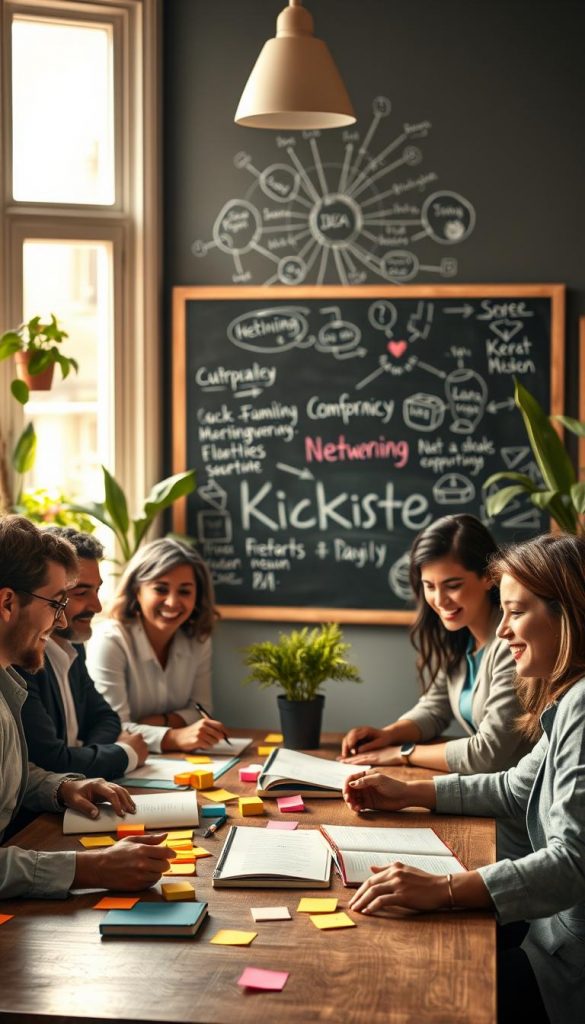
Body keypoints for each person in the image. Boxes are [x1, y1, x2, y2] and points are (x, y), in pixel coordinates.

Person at [342, 532, 585, 1024]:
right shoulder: (570, 697)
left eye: (515, 612)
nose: (503, 631)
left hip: (564, 970)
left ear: (568, 613)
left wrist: (444, 889)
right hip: (545, 937)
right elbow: (513, 786)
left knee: (411, 988)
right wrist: (407, 791)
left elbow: (572, 865)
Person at [0, 515, 173, 898]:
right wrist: (91, 866)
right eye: (56, 602)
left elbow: (9, 777)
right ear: (8, 602)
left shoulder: (6, 683)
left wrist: (61, 787)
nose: (60, 619)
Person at [340, 514, 532, 773]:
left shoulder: (513, 646)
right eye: (429, 586)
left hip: (521, 802)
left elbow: (487, 754)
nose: (439, 600)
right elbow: (435, 708)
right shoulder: (460, 637)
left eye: (452, 585)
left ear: (489, 576)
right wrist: (388, 735)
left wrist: (403, 753)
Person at [18, 527, 148, 779]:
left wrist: (88, 756)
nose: (97, 606)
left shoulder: (73, 647)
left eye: (97, 590)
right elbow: (51, 762)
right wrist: (124, 753)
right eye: (81, 593)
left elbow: (106, 717)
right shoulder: (20, 659)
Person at [87, 537, 228, 753]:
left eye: (184, 591)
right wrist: (174, 737)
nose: (172, 602)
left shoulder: (198, 639)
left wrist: (158, 720)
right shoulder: (110, 640)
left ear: (197, 596)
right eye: (161, 589)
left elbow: (201, 710)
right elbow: (110, 728)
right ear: (137, 591)